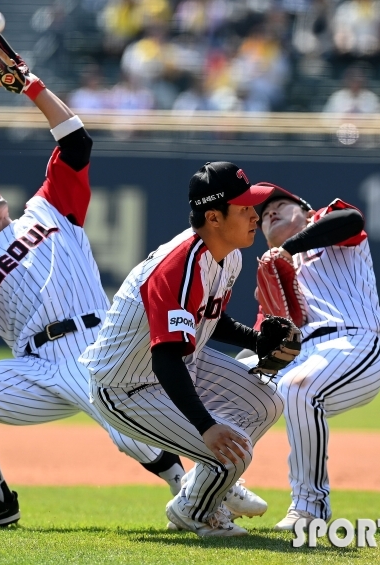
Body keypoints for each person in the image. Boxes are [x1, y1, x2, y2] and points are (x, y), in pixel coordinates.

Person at [0, 33, 185, 528]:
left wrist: (29, 85)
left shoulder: (47, 209)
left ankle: (193, 490)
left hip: (95, 341)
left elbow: (76, 141)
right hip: (38, 366)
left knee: (126, 429)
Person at [80, 162, 297, 538]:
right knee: (233, 450)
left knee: (268, 401)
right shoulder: (176, 267)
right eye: (244, 207)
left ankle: (209, 484)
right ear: (214, 216)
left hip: (175, 364)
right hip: (126, 387)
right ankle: (196, 510)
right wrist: (206, 427)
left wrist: (256, 340)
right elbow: (165, 357)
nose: (254, 215)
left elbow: (211, 318)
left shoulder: (228, 255)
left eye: (253, 205)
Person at [241, 183, 380, 530]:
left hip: (355, 344)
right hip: (301, 355)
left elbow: (351, 219)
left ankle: (310, 509)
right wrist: (233, 369)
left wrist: (289, 247)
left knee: (299, 387)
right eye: (263, 216)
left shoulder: (325, 224)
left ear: (307, 211)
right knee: (227, 384)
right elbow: (263, 341)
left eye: (279, 204)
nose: (270, 213)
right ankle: (203, 498)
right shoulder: (272, 273)